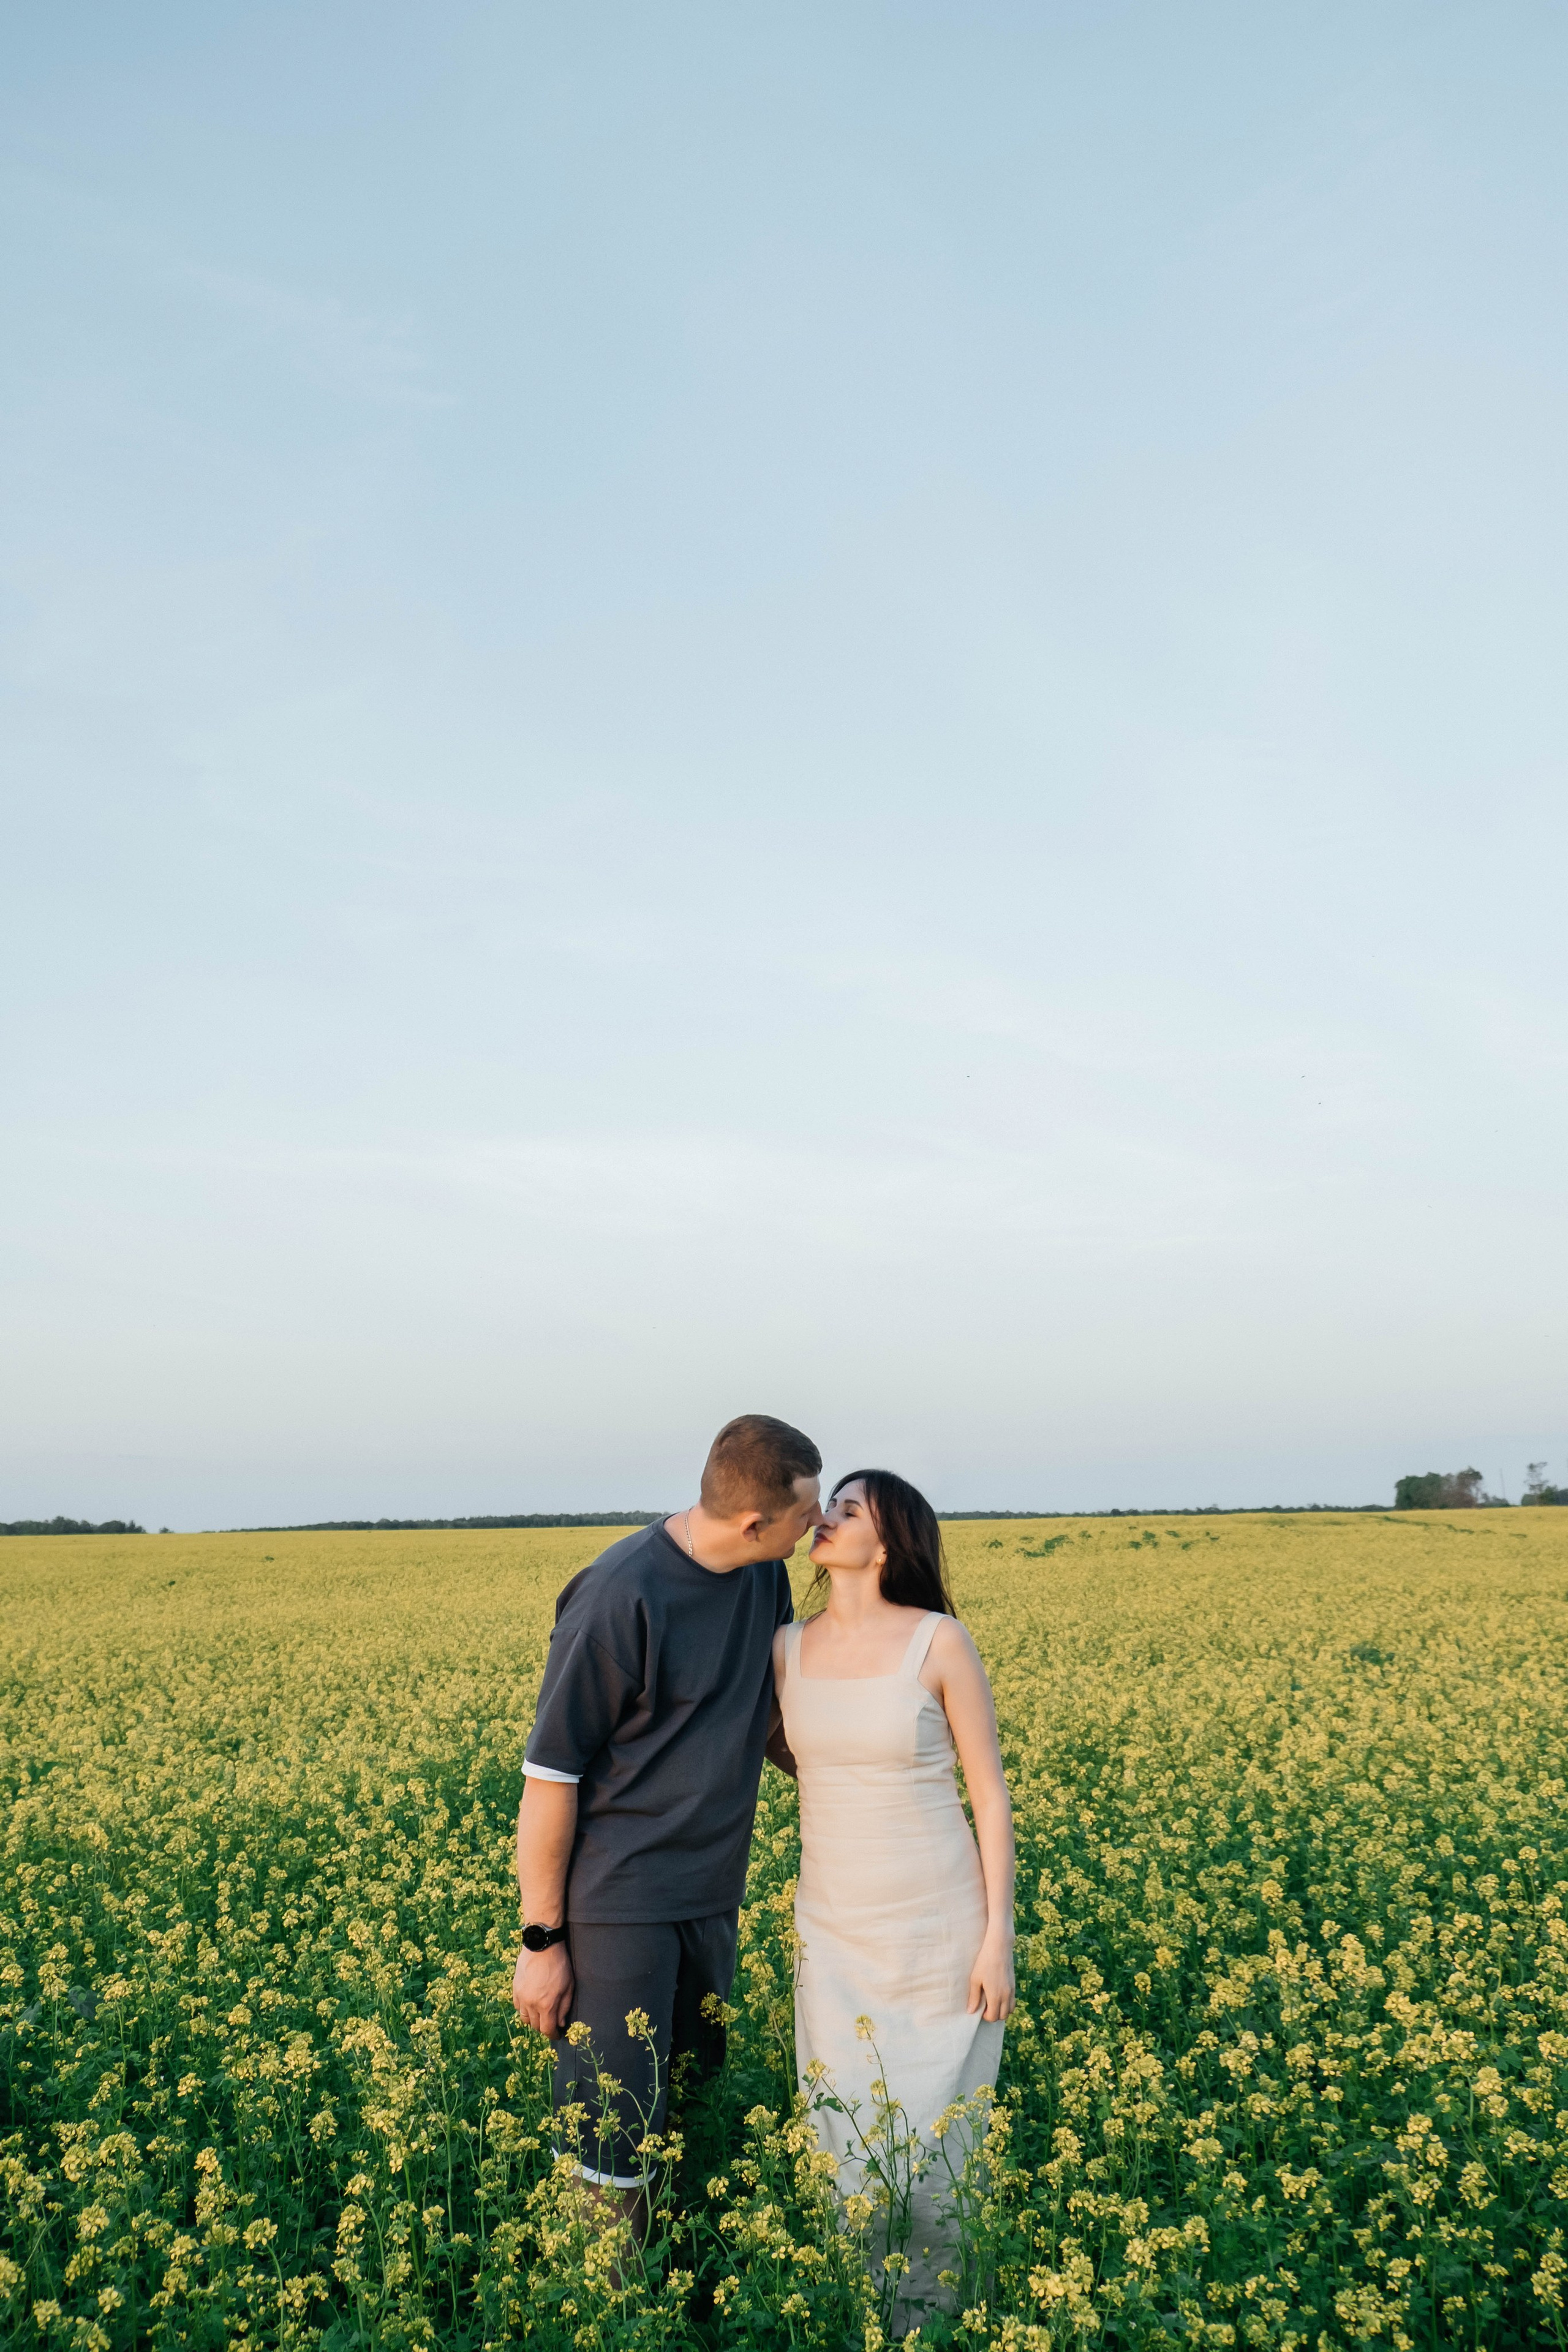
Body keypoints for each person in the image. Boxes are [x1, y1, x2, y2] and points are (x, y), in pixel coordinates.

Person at [511, 1412, 823, 2211]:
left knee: (686, 2102)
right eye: (804, 1514)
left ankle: (677, 2276)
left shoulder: (763, 1574)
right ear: (755, 1522)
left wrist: (878, 1790)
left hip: (712, 1893)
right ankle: (615, 2316)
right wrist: (541, 1942)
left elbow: (769, 1717)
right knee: (613, 2132)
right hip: (623, 1905)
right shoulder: (620, 1597)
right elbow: (551, 1777)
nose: (815, 1526)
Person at [771, 1468, 1015, 2322]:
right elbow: (793, 1752)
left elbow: (988, 1794)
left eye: (848, 1510)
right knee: (843, 2133)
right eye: (826, 1507)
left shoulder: (938, 1641)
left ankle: (945, 2317)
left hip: (938, 1928)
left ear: (890, 1542)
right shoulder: (785, 1647)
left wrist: (998, 1939)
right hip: (832, 1929)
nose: (825, 1520)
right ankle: (859, 2316)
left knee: (939, 2135)